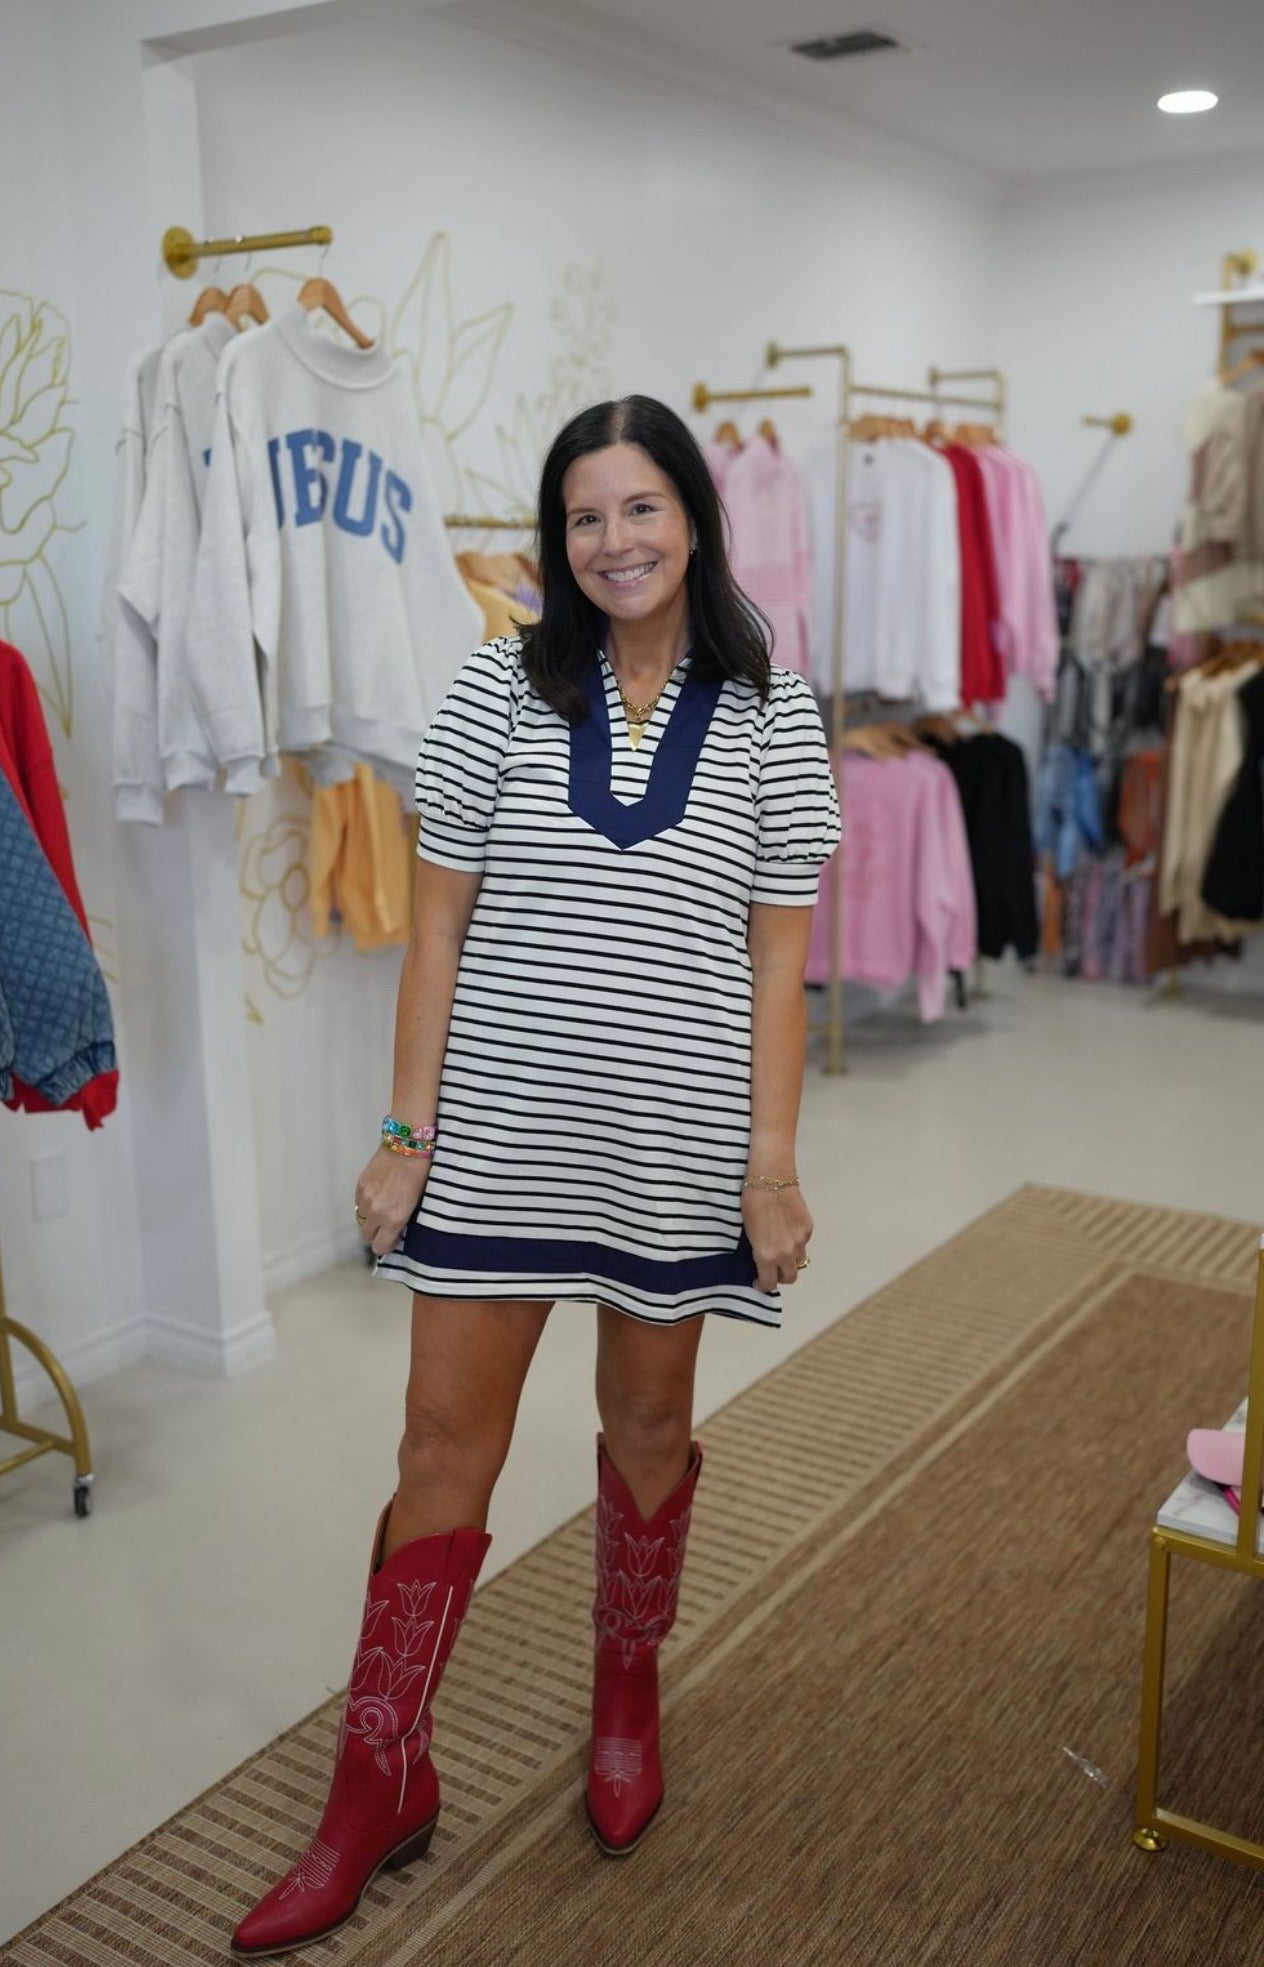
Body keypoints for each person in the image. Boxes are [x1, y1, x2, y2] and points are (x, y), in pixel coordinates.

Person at [232, 394, 841, 1957]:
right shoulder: (500, 683)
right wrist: (402, 1133)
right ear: (558, 539)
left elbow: (782, 959)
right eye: (585, 517)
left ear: (691, 517)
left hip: (678, 1142)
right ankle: (378, 1781)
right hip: (502, 1130)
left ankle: (623, 1698)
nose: (613, 541)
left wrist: (771, 1168)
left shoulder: (773, 703)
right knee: (442, 1443)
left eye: (640, 509)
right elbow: (434, 923)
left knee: (646, 1425)